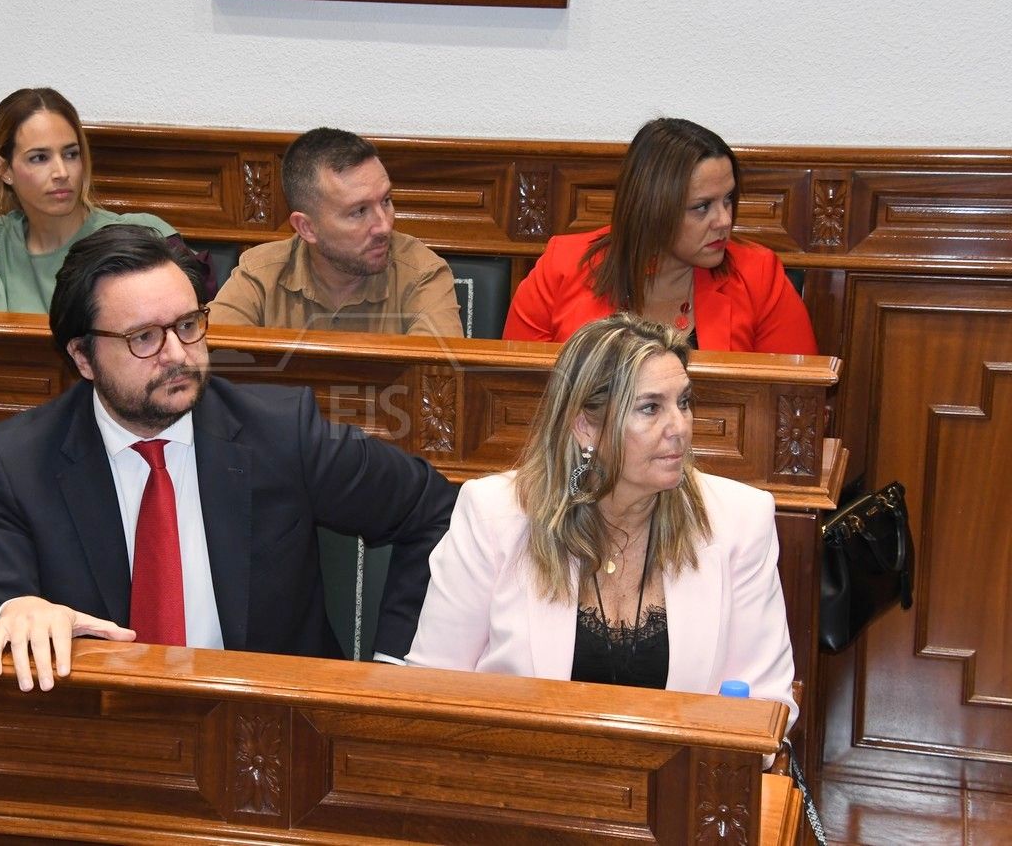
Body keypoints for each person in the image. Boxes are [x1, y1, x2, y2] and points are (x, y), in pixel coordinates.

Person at [0, 223, 457, 693]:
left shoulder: (282, 434)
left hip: (269, 728)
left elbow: (437, 510)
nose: (177, 355)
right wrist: (14, 611)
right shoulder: (15, 463)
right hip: (100, 731)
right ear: (83, 357)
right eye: (144, 337)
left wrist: (395, 666)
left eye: (188, 325)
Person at [407, 313, 797, 737]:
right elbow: (432, 688)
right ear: (585, 426)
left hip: (676, 774)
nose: (680, 427)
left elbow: (766, 703)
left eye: (684, 402)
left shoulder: (739, 519)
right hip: (521, 767)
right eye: (650, 408)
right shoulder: (493, 515)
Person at [503, 118, 817, 354]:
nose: (724, 220)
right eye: (702, 206)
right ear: (652, 208)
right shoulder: (561, 266)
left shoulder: (759, 275)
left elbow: (795, 402)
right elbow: (517, 392)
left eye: (728, 200)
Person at [0, 87, 210, 311]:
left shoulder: (142, 239)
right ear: (4, 169)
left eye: (71, 154)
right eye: (40, 158)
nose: (62, 173)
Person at [209, 127, 463, 337]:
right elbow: (210, 358)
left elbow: (437, 377)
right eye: (359, 211)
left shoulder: (422, 274)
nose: (384, 226)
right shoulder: (261, 275)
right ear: (307, 228)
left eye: (386, 201)